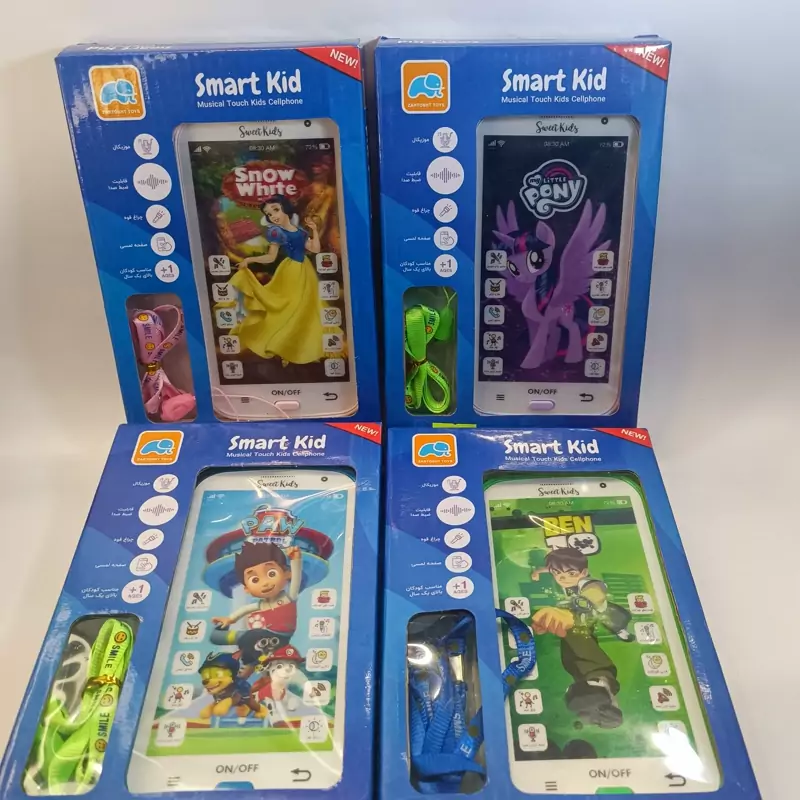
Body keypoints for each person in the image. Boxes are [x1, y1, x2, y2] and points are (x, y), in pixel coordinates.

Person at [531, 547, 632, 728]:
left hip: (597, 615)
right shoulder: (563, 579)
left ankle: (600, 681)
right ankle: (593, 686)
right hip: (579, 621)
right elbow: (552, 569)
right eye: (557, 573)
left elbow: (595, 593)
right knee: (570, 651)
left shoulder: (589, 583)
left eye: (571, 573)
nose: (563, 578)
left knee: (594, 634)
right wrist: (539, 571)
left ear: (583, 572)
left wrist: (571, 611)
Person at [230, 195, 323, 364]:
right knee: (289, 306)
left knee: (305, 309)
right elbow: (271, 257)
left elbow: (315, 249)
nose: (273, 216)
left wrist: (314, 230)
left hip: (306, 271)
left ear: (285, 208)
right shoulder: (276, 232)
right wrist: (249, 260)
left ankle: (297, 348)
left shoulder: (301, 232)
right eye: (269, 214)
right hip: (290, 271)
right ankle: (280, 346)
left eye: (275, 210)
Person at [212, 541, 302, 638]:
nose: (265, 583)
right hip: (267, 636)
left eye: (272, 574)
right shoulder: (261, 605)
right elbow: (244, 609)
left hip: (283, 634)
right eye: (255, 580)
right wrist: (230, 619)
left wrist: (295, 560)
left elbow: (296, 580)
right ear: (247, 589)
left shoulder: (288, 598)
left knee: (252, 635)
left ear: (287, 574)